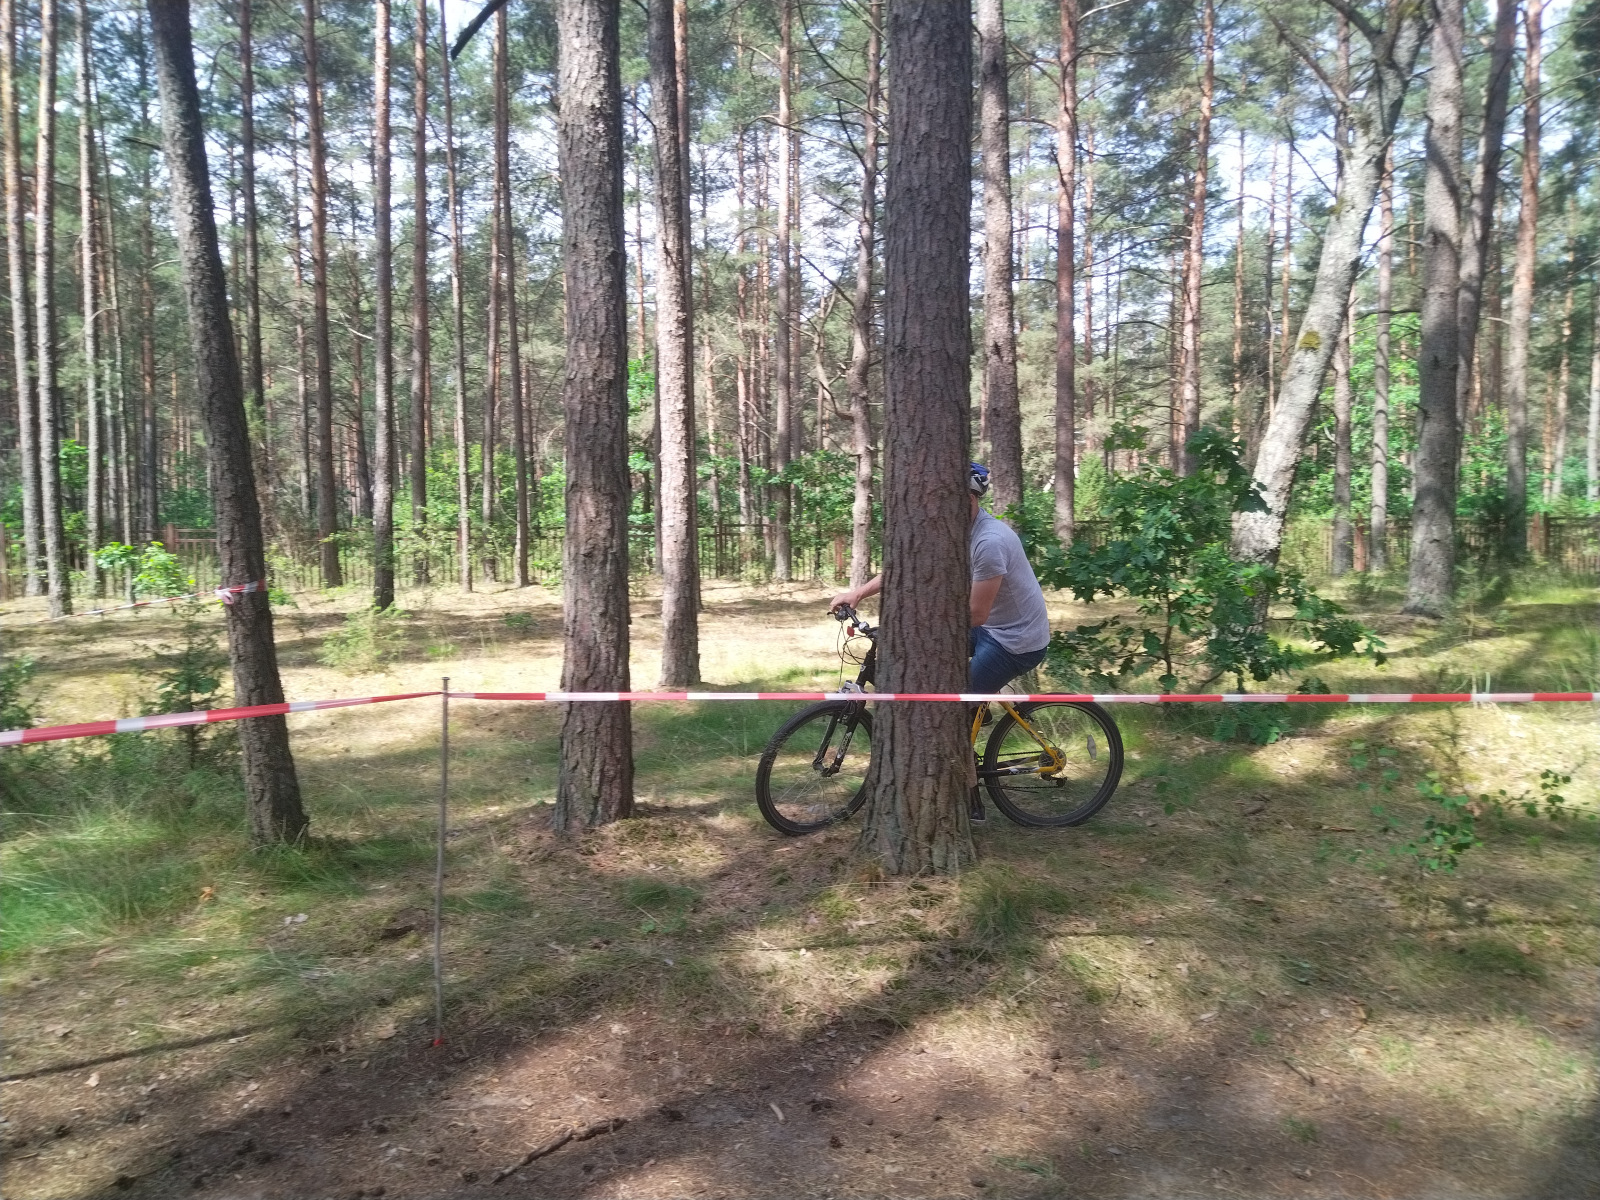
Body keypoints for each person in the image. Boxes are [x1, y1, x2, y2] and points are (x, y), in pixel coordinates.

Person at [829, 464, 1051, 819]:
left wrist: (919, 622)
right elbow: (906, 568)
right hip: (992, 628)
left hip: (1015, 640)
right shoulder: (951, 529)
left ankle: (971, 800)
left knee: (949, 711)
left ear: (970, 499)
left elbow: (976, 614)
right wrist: (858, 593)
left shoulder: (989, 542)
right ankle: (977, 707)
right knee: (925, 662)